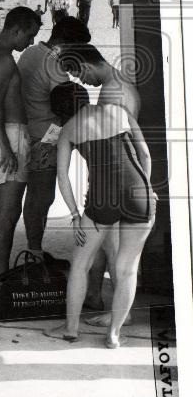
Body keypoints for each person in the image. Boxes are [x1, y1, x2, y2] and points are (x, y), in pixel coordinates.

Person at [44, 50, 156, 348]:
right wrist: (148, 188)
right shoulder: (120, 111)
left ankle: (70, 329)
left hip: (102, 199)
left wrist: (73, 213)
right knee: (127, 267)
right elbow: (144, 154)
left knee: (80, 264)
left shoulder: (69, 129)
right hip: (139, 194)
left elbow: (63, 176)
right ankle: (114, 334)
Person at [18, 16, 91, 271]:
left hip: (28, 131)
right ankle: (35, 254)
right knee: (41, 198)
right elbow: (66, 106)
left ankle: (35, 250)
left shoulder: (30, 53)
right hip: (46, 139)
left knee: (35, 198)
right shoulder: (54, 66)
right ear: (66, 42)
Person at [0, 6, 42, 285]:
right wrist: (7, 148)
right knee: (8, 211)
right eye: (29, 35)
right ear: (16, 29)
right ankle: (2, 276)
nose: (30, 42)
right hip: (8, 136)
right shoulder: (3, 60)